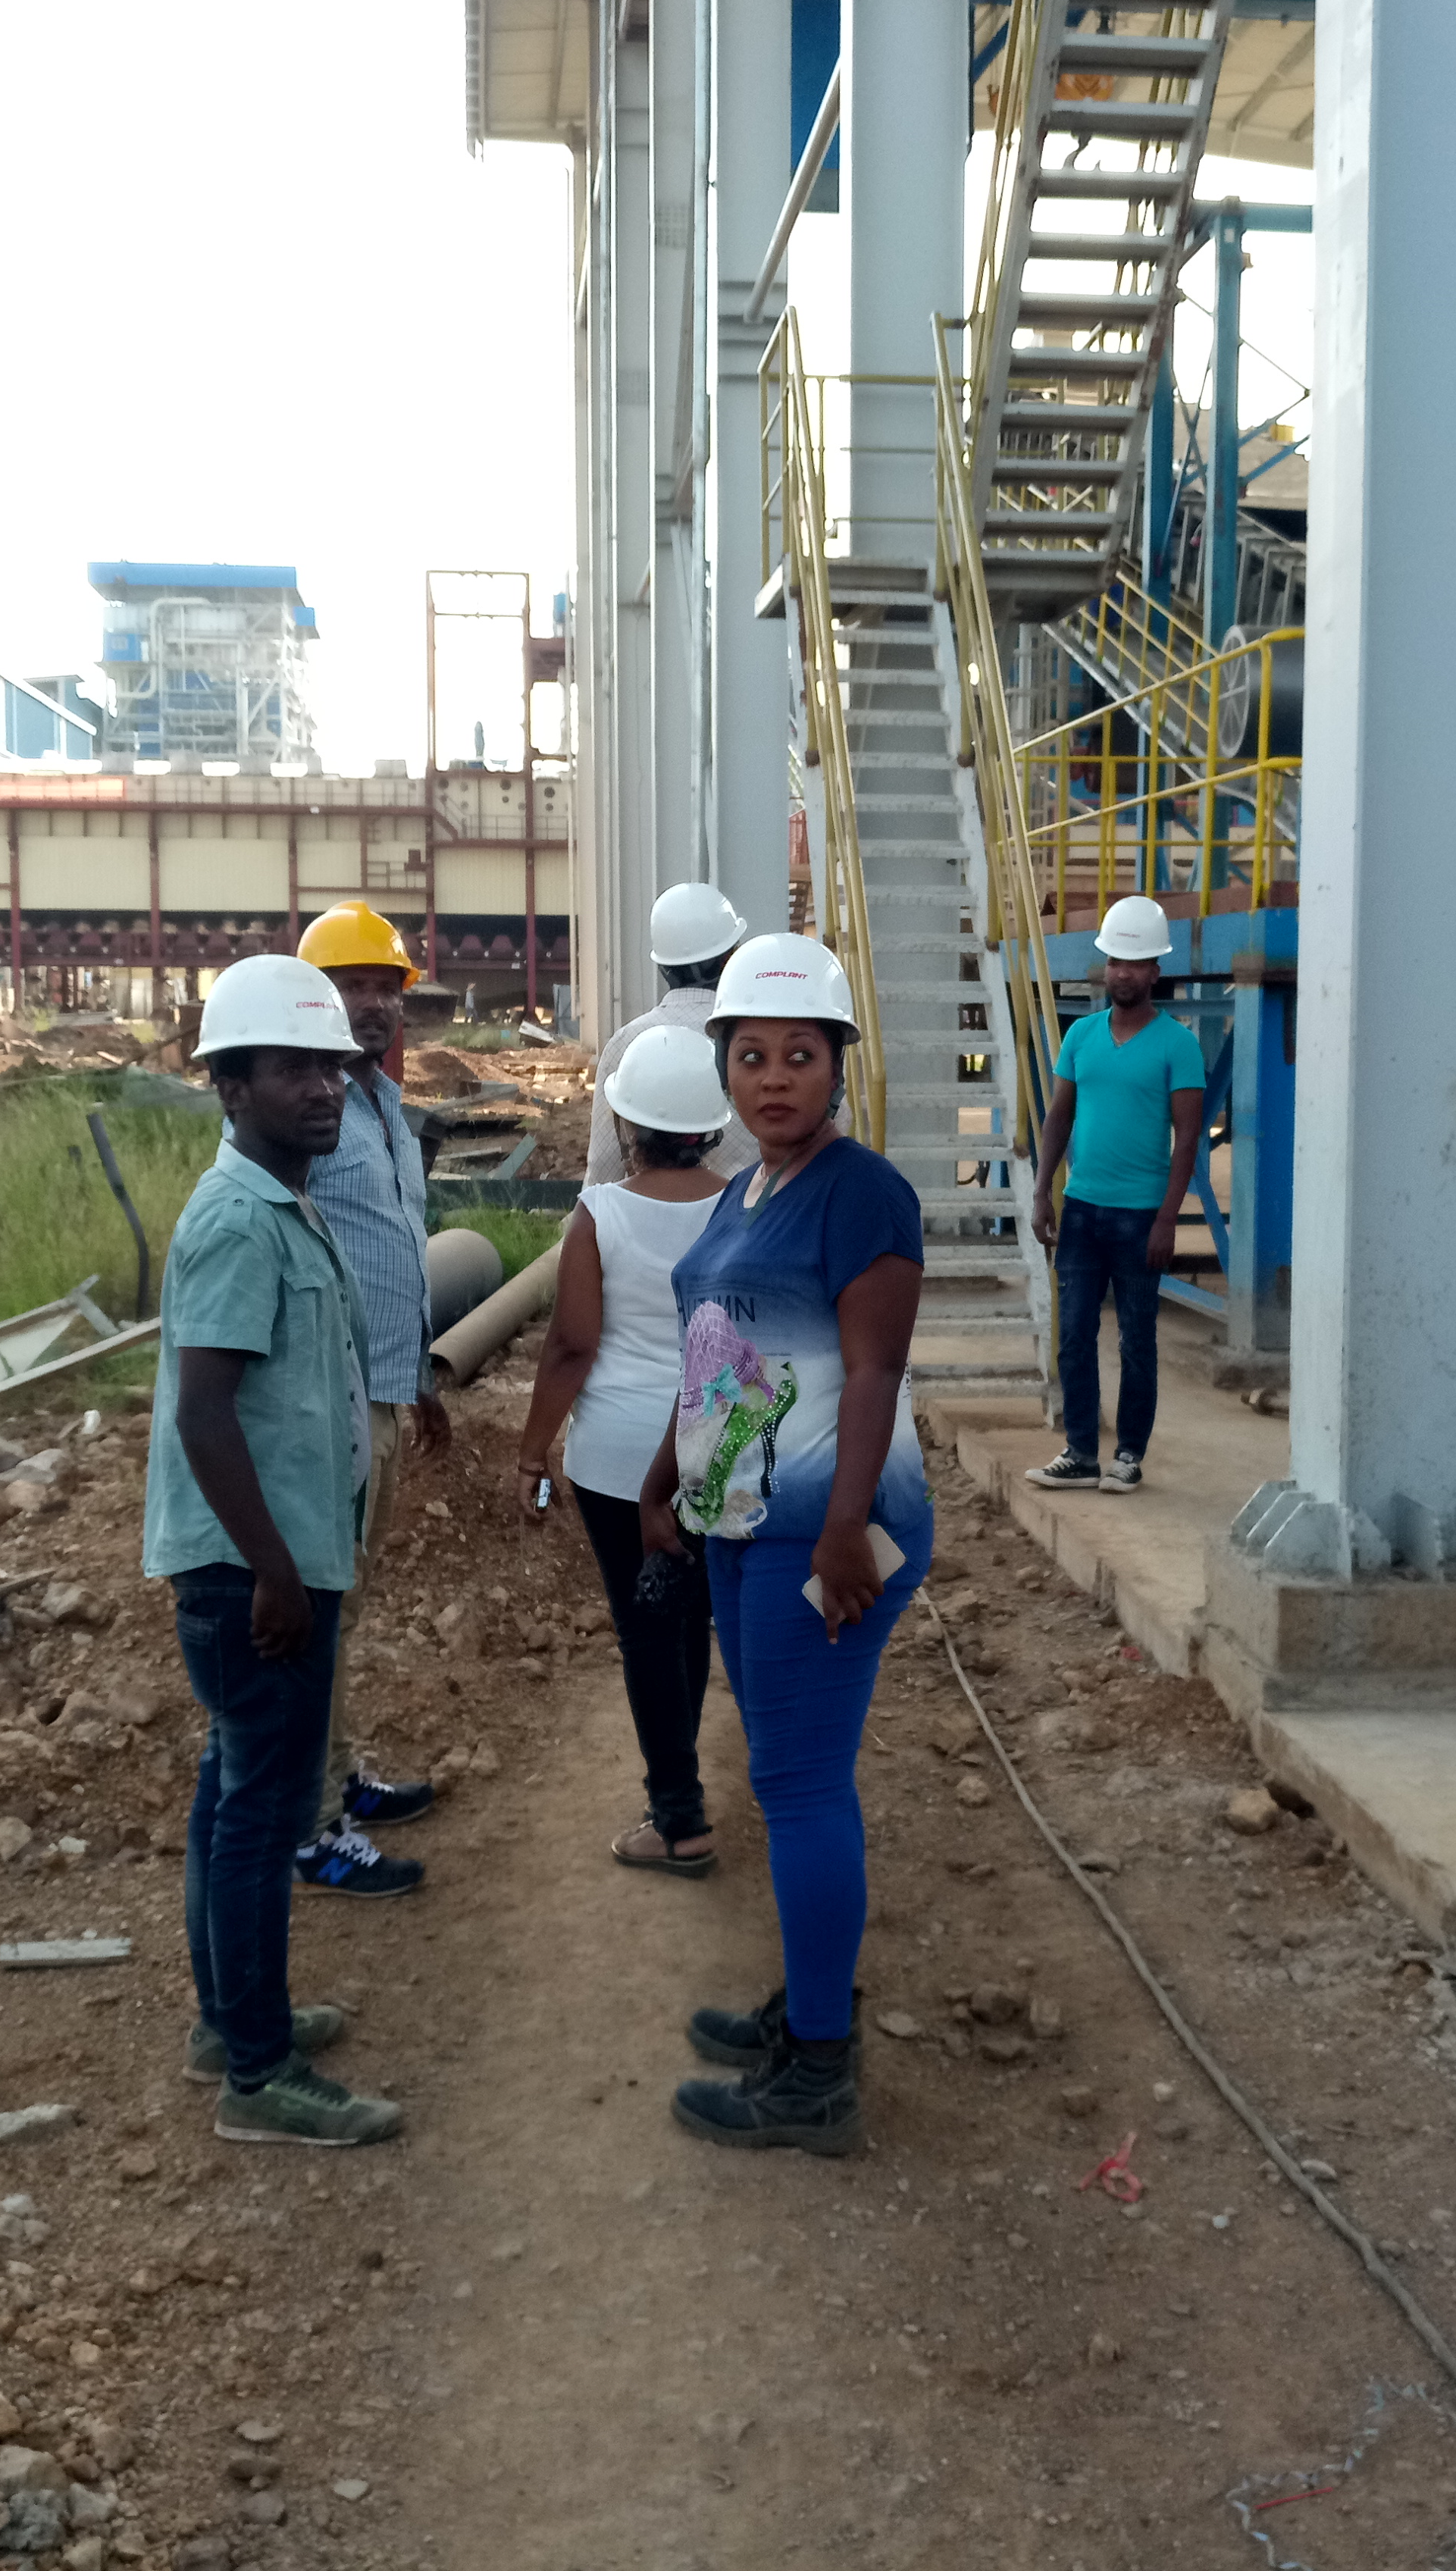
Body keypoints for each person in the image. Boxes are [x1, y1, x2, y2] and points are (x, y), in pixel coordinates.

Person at [637, 932, 931, 2156]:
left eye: (797, 1056)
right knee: (781, 1771)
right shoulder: (741, 1195)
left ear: (836, 1063)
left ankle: (817, 2072)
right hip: (741, 1523)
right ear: (722, 1068)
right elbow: (714, 1359)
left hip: (820, 1527)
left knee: (799, 1786)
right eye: (750, 1056)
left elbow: (870, 1368)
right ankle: (808, 2003)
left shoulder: (862, 1193)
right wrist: (662, 1484)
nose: (772, 1077)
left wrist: (851, 1525)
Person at [142, 953, 403, 2147]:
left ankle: (228, 2023)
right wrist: (279, 1574)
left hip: (275, 1558)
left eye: (332, 1069)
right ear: (229, 1088)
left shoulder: (279, 1202)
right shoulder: (239, 1219)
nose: (323, 1089)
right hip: (259, 1571)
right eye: (292, 1068)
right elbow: (205, 1412)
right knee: (262, 1811)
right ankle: (259, 2074)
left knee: (229, 1792)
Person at [512, 1022, 731, 1877]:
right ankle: (681, 1793)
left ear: (624, 1126)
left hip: (613, 1460)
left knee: (645, 1629)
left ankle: (678, 1818)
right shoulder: (747, 1202)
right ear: (713, 1123)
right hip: (712, 1445)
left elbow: (570, 1347)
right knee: (691, 1616)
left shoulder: (599, 1215)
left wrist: (533, 1451)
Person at [285, 900, 447, 1899]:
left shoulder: (380, 1106)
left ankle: (338, 1776)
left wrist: (422, 1374)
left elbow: (394, 1252)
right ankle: (314, 1826)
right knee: (322, 1606)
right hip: (331, 1401)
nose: (377, 1005)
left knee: (344, 1605)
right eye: (354, 986)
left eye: (387, 988)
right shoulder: (302, 1116)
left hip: (387, 1388)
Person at [1025, 894, 1206, 1494]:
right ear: (1105, 967)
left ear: (1157, 970)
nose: (1124, 973)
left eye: (1137, 963)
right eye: (1116, 962)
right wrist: (1042, 1193)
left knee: (1136, 1339)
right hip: (1081, 1209)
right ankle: (1079, 1453)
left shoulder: (1178, 1046)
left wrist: (1166, 1220)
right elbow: (1059, 1117)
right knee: (1074, 1333)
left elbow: (1186, 1143)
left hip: (1139, 1218)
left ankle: (1128, 1455)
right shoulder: (1080, 1036)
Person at [584, 881, 759, 1185]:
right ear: (730, 957)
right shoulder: (770, 1042)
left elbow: (603, 1166)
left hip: (655, 1224)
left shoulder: (627, 1044)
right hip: (760, 1222)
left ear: (664, 967)